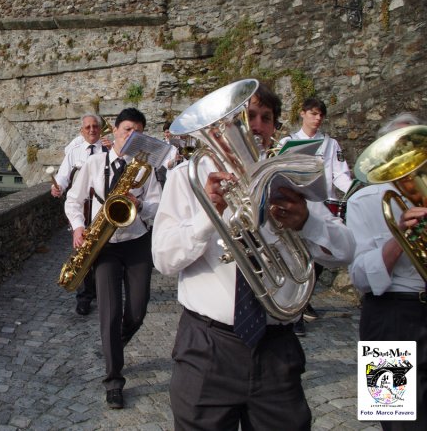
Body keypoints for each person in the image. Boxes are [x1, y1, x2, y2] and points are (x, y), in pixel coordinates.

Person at [152, 82, 355, 430]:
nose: (258, 125)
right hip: (208, 345)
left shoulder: (289, 176)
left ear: (276, 127)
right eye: (248, 117)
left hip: (276, 347)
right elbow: (164, 260)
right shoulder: (188, 179)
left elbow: (346, 250)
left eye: (267, 117)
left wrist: (307, 222)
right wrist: (209, 215)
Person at [65, 107, 162, 410]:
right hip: (103, 245)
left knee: (137, 310)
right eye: (126, 130)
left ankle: (113, 347)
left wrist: (140, 203)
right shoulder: (94, 163)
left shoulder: (144, 169)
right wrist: (79, 227)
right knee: (109, 312)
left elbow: (158, 205)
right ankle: (114, 379)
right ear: (115, 131)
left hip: (136, 242)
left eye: (137, 132)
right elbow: (73, 199)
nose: (131, 136)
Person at [346, 112, 425, 431]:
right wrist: (399, 239)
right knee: (393, 419)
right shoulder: (363, 202)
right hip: (387, 317)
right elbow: (360, 278)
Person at [279, 97, 353, 333]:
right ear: (302, 114)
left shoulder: (330, 143)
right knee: (298, 257)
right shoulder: (288, 142)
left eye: (321, 114)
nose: (318, 118)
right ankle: (297, 310)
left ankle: (303, 299)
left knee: (317, 258)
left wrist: (353, 190)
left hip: (323, 206)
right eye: (313, 113)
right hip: (299, 205)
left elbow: (340, 173)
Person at [51, 113, 109, 315]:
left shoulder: (109, 149)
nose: (92, 130)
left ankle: (104, 294)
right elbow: (63, 175)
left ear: (100, 129)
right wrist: (57, 187)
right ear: (81, 131)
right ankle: (84, 297)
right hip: (82, 209)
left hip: (103, 208)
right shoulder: (74, 151)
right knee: (82, 252)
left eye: (95, 126)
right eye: (88, 127)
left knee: (104, 252)